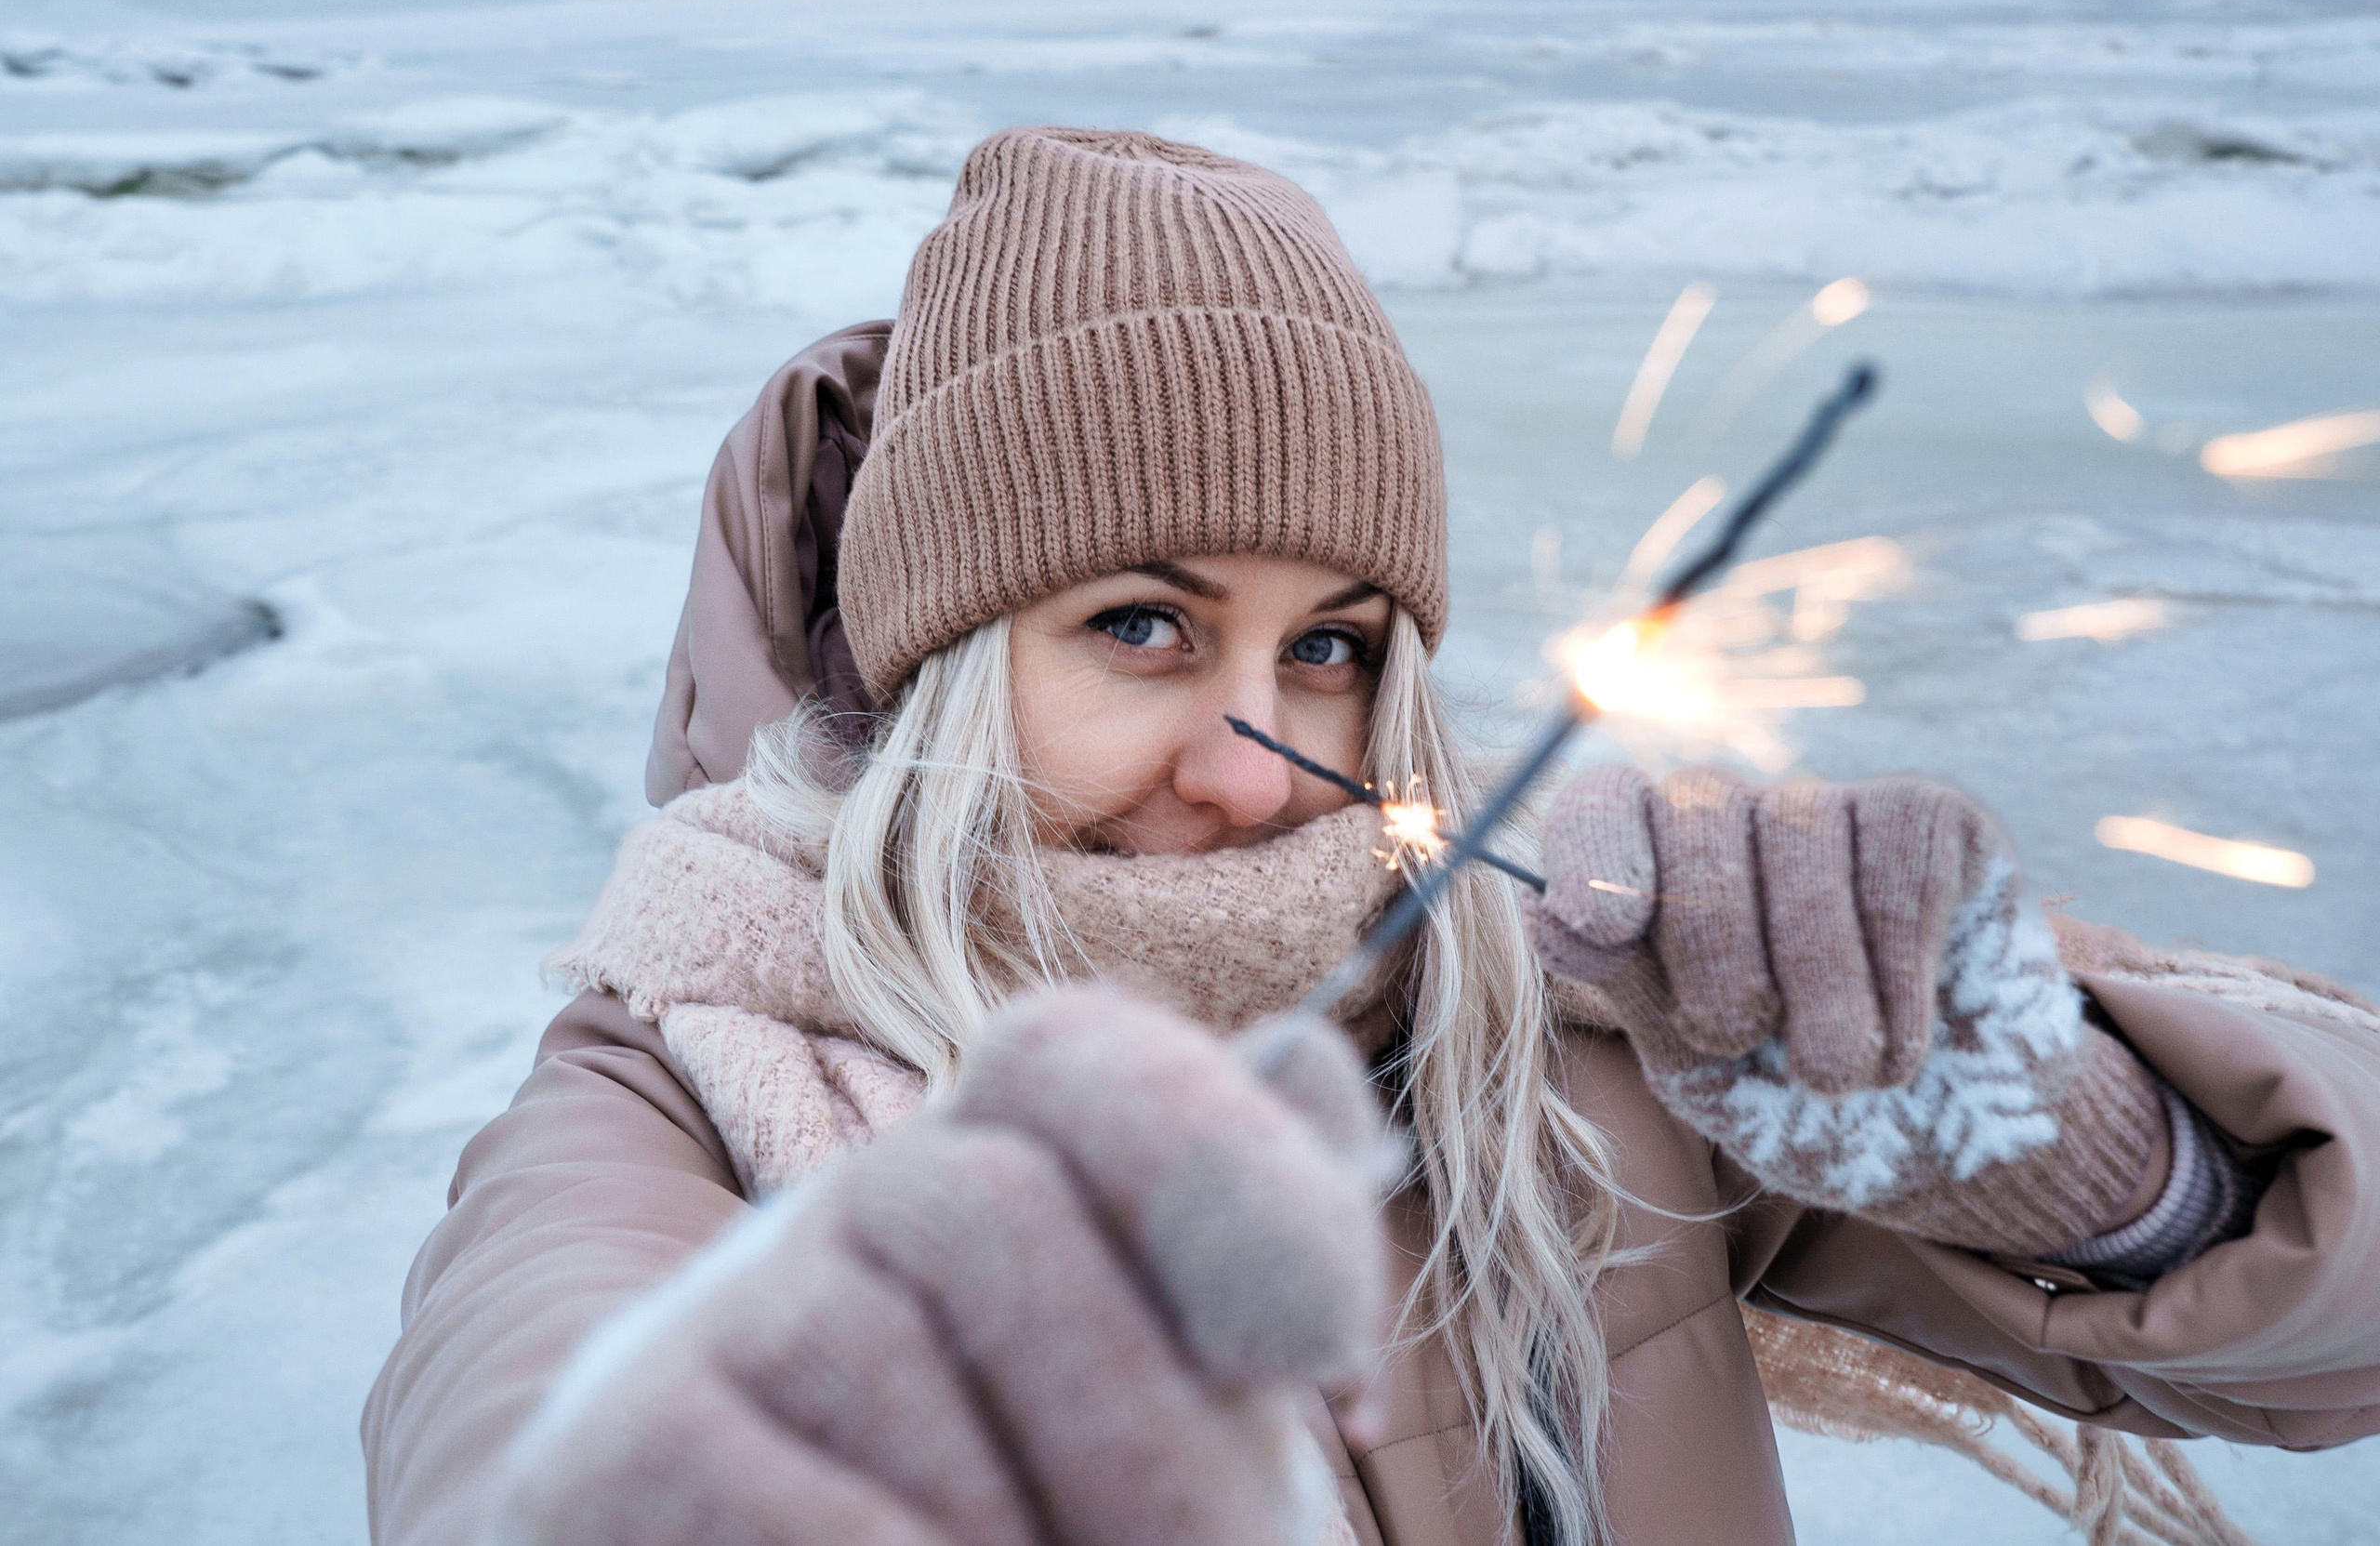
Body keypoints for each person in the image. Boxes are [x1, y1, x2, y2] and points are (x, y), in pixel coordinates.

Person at [362, 128, 2380, 1546]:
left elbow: (2333, 1330)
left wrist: (2077, 1153)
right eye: (1139, 625)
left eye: (1326, 648)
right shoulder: (681, 1088)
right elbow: (521, 1422)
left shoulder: (1567, 1022)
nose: (1258, 768)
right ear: (943, 667)